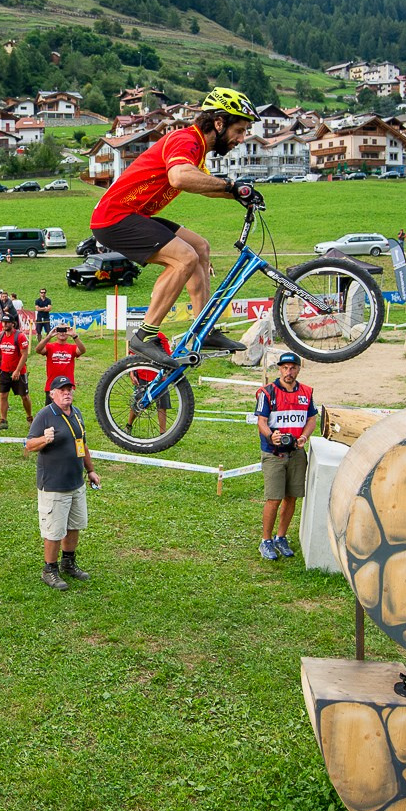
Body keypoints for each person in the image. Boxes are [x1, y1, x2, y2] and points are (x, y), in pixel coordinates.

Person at [88, 87, 260, 364]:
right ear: (219, 123)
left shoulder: (196, 148)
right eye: (239, 130)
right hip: (115, 217)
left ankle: (204, 328)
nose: (241, 139)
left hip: (133, 214)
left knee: (199, 247)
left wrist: (241, 195)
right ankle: (144, 335)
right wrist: (231, 185)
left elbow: (203, 185)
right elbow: (180, 177)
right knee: (184, 258)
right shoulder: (185, 139)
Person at [24, 376, 100, 590]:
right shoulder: (45, 415)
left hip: (76, 482)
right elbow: (29, 445)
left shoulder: (76, 413)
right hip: (54, 485)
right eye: (62, 390)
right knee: (54, 530)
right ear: (52, 394)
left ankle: (68, 562)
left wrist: (91, 470)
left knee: (74, 525)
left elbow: (82, 444)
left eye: (69, 389)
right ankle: (49, 570)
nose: (67, 393)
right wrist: (44, 439)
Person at [254, 352, 324, 561]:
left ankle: (281, 537)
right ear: (279, 369)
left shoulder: (306, 392)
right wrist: (271, 436)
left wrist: (304, 437)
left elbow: (311, 419)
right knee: (274, 498)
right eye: (285, 368)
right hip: (274, 453)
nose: (288, 372)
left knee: (291, 497)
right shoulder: (267, 393)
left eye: (292, 368)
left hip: (296, 452)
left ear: (298, 369)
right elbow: (261, 421)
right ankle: (266, 540)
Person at [0, 315, 30, 431]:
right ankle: (3, 420)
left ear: (13, 323)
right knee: (3, 395)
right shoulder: (0, 336)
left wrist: (17, 371)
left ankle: (30, 418)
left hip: (19, 372)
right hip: (4, 371)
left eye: (7, 322)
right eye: (3, 322)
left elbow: (24, 354)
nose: (4, 324)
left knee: (24, 396)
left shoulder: (20, 336)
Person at [33, 322, 86, 407]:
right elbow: (38, 350)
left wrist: (74, 336)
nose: (62, 333)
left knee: (66, 410)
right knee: (50, 411)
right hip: (51, 385)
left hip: (67, 385)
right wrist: (49, 336)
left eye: (65, 330)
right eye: (60, 330)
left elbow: (82, 350)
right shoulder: (50, 346)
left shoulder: (72, 347)